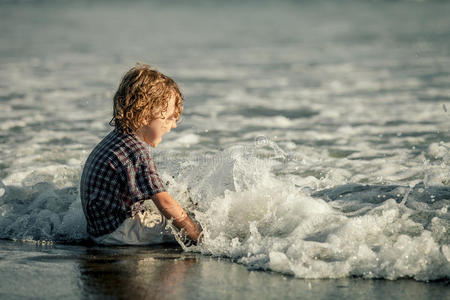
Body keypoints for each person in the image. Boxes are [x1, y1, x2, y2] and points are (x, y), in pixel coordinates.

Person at [80, 64, 202, 246]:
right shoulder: (137, 152)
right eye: (168, 118)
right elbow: (166, 203)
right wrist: (199, 238)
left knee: (178, 206)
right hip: (119, 234)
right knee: (185, 223)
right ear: (144, 116)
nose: (173, 125)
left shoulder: (117, 139)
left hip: (100, 229)